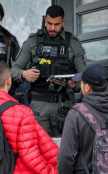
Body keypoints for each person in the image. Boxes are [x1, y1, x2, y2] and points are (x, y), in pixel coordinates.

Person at [11, 5, 87, 137]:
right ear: (45, 19)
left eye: (57, 24)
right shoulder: (33, 41)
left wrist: (75, 85)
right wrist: (24, 74)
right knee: (38, 149)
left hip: (64, 105)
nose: (52, 28)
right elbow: (13, 70)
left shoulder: (73, 44)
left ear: (63, 21)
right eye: (49, 23)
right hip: (39, 104)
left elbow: (86, 78)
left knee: (65, 150)